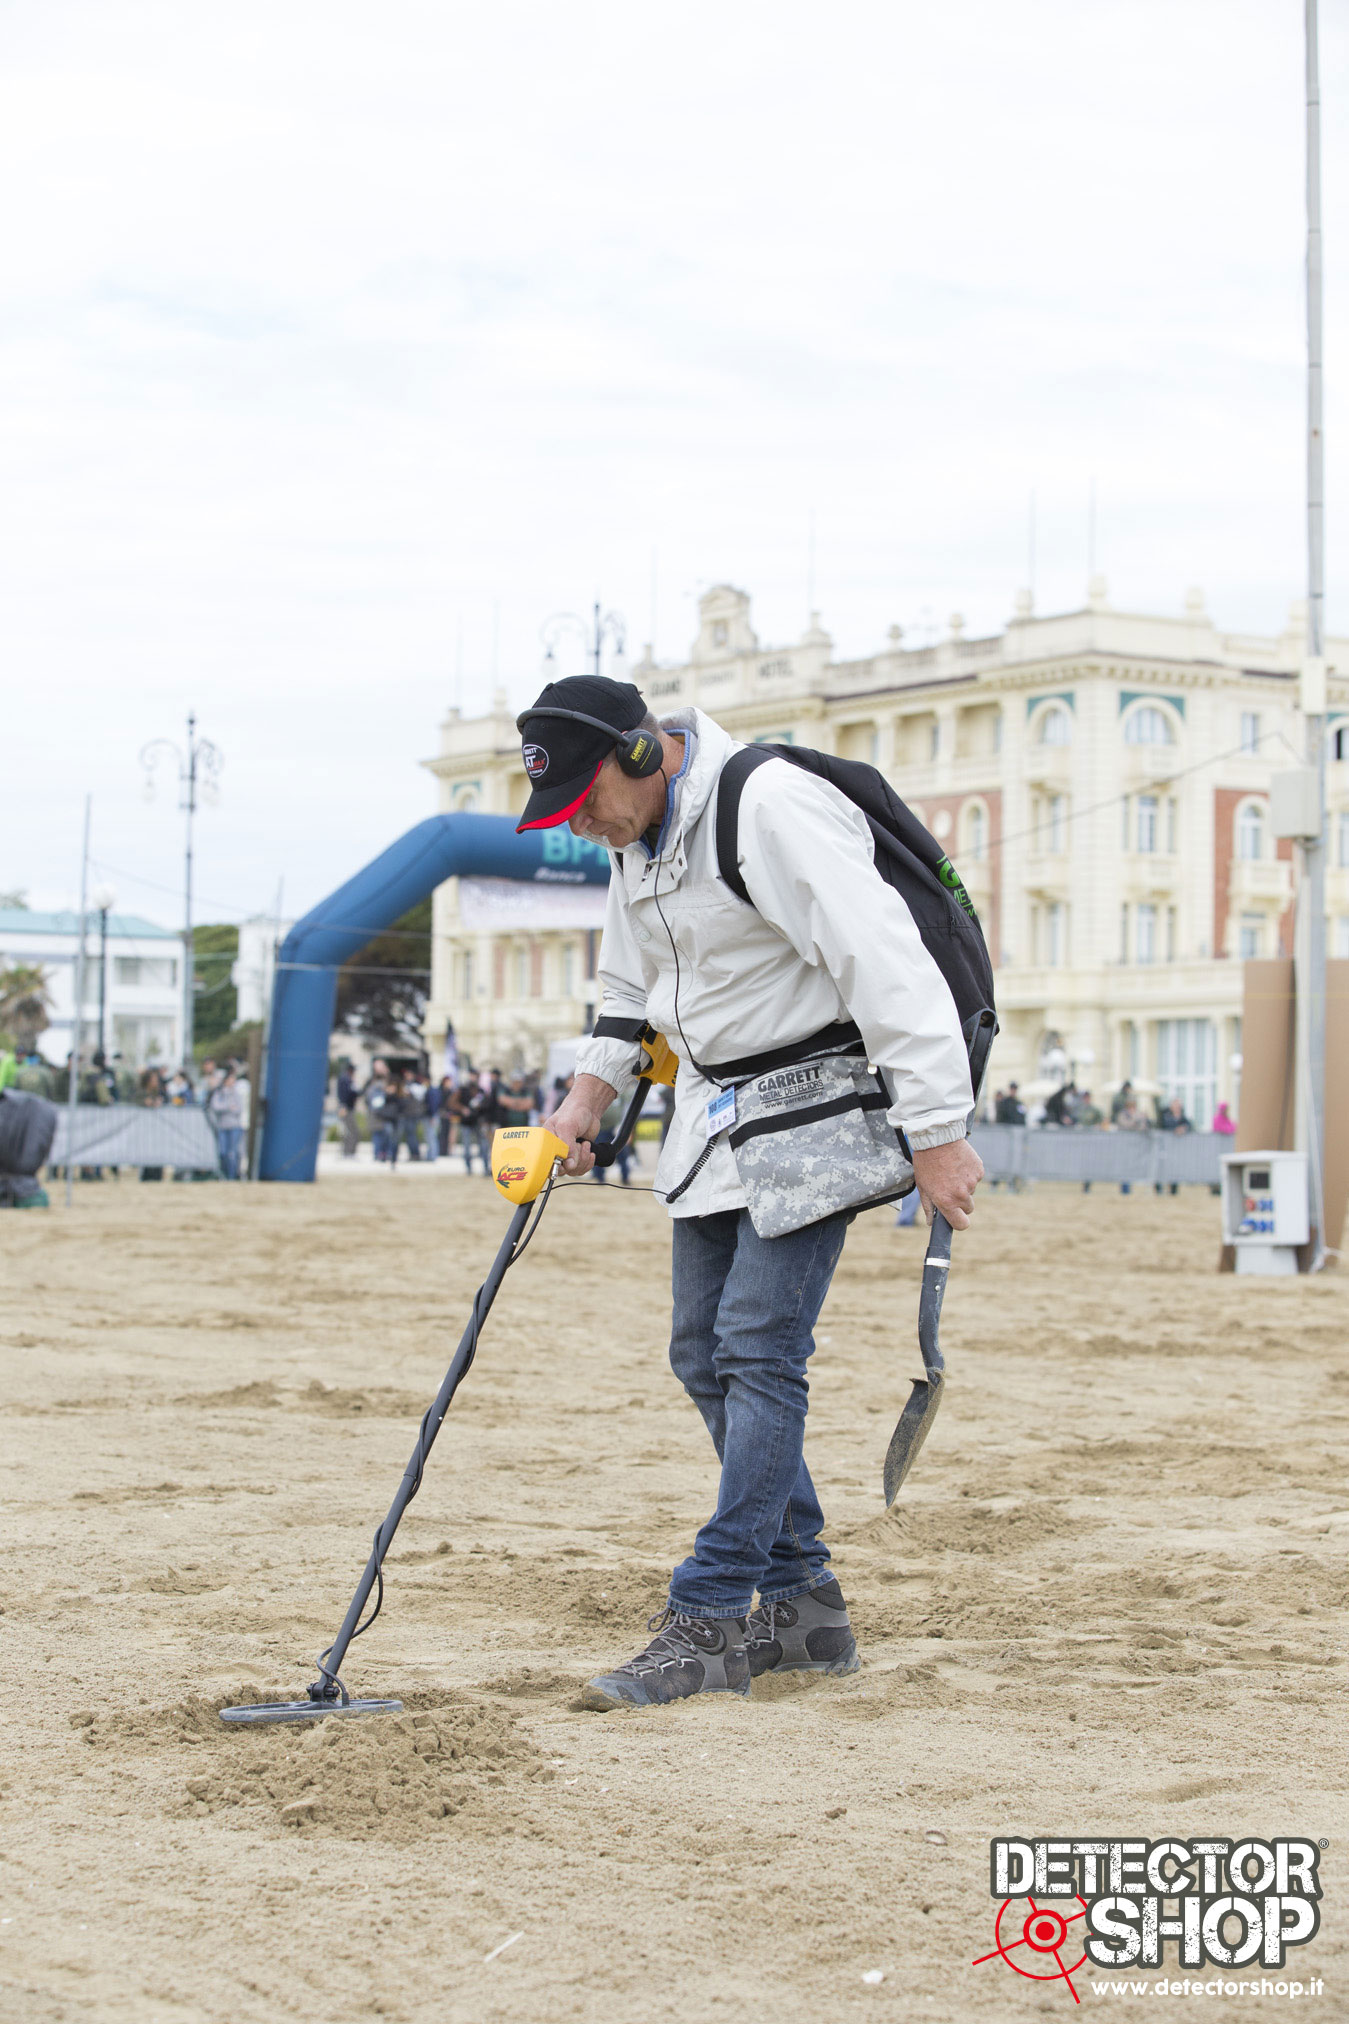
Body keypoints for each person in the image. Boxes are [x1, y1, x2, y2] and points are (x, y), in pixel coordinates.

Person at [526, 673, 981, 1711]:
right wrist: (584, 1099)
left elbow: (887, 964)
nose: (581, 826)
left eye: (585, 801)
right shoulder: (631, 842)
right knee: (702, 1352)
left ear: (641, 754)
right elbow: (627, 987)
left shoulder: (768, 805)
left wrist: (936, 1132)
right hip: (715, 1111)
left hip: (819, 1100)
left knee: (758, 1350)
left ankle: (712, 1613)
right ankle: (804, 1604)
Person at [208, 1068, 245, 1179]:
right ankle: (224, 1175)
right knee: (222, 1152)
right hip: (222, 1126)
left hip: (235, 1127)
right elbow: (215, 1107)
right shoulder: (219, 1093)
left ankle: (232, 1176)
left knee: (233, 1153)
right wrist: (229, 1107)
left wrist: (225, 1108)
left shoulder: (236, 1093)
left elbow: (239, 1109)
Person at [364, 1059, 393, 1163]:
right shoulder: (382, 1087)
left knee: (378, 1135)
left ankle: (379, 1154)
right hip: (381, 1115)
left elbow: (366, 1099)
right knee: (383, 1135)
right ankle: (384, 1154)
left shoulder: (371, 1087)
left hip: (376, 1114)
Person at [336, 1059, 361, 1159]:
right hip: (346, 1108)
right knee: (351, 1131)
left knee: (348, 1130)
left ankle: (347, 1152)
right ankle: (348, 1152)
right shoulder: (346, 1079)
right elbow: (347, 1094)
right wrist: (343, 1106)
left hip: (345, 1107)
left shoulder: (344, 1079)